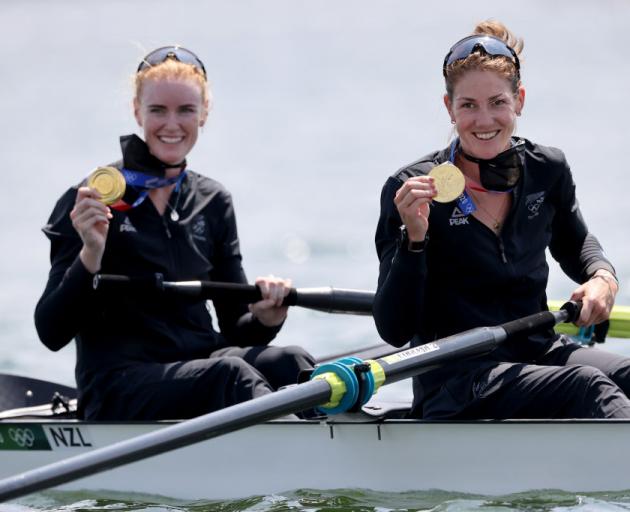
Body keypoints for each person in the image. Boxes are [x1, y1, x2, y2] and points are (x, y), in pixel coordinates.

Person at [35, 46, 314, 421]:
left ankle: (335, 452)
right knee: (230, 377)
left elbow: (235, 328)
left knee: (292, 362)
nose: (172, 124)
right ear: (137, 111)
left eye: (185, 110)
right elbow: (51, 332)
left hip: (201, 366)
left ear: (204, 113)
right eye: (157, 110)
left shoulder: (212, 200)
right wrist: (90, 253)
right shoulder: (90, 198)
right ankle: (307, 458)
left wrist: (267, 317)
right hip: (118, 384)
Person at [373, 21, 630, 419]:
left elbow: (575, 243)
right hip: (457, 377)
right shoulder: (410, 189)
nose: (484, 120)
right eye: (468, 106)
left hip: (539, 351)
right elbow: (394, 328)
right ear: (449, 108)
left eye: (497, 103)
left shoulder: (548, 169)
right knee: (589, 387)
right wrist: (416, 240)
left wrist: (602, 277)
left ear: (519, 101)